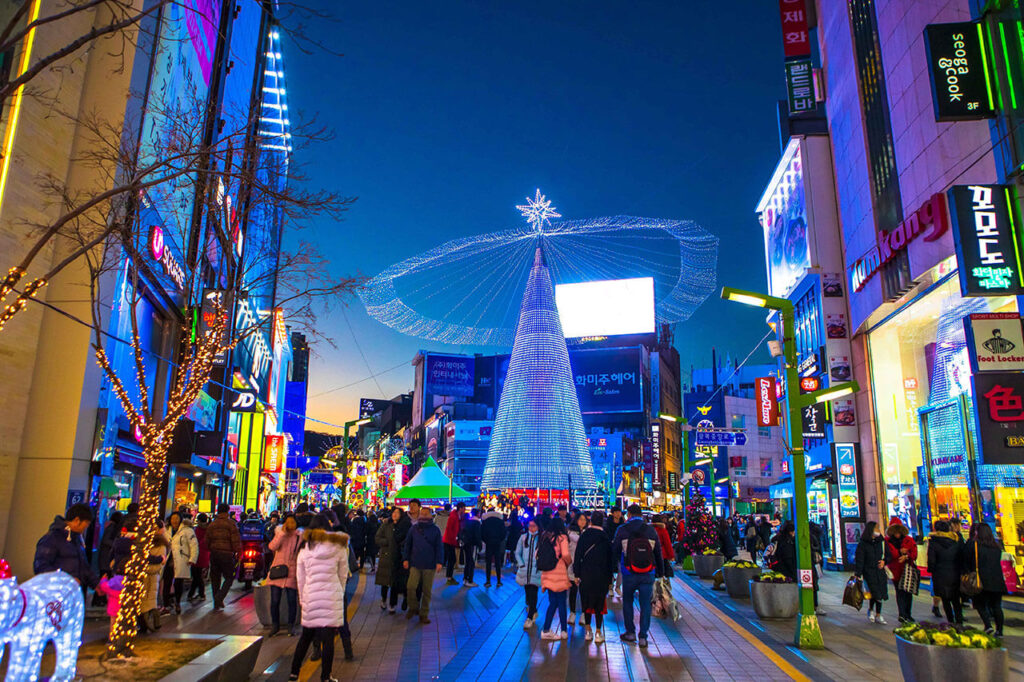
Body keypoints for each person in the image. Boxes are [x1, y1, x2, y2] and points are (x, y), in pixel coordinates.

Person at [288, 514, 349, 682]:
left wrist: (303, 597)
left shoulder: (305, 548)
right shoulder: (339, 546)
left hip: (311, 595)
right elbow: (343, 575)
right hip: (331, 595)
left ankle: (294, 674)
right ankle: (325, 677)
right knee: (328, 639)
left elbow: (300, 577)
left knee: (306, 636)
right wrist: (339, 592)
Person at [612, 504, 663, 648]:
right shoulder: (651, 531)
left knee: (627, 601)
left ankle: (630, 632)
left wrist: (613, 569)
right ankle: (643, 637)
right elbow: (658, 553)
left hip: (629, 572)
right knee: (645, 603)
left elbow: (615, 550)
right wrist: (661, 572)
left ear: (628, 514)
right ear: (641, 515)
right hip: (648, 572)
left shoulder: (622, 530)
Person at [33, 503, 99, 594]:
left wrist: (96, 584)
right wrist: (66, 579)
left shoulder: (77, 539)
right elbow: (41, 566)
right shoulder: (52, 538)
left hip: (72, 593)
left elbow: (83, 566)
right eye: (86, 523)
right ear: (77, 520)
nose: (86, 527)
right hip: (55, 593)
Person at [574, 510, 613, 643]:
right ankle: (598, 632)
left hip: (586, 573)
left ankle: (588, 631)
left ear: (590, 521)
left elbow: (578, 555)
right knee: (599, 603)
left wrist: (577, 574)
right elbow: (610, 559)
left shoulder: (585, 535)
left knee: (586, 601)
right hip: (601, 575)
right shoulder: (605, 536)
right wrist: (610, 578)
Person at [403, 507, 444, 624]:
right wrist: (405, 559)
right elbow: (408, 545)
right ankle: (414, 607)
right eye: (422, 513)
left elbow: (439, 547)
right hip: (415, 563)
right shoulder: (414, 529)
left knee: (427, 591)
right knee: (410, 586)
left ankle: (424, 614)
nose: (424, 515)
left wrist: (439, 562)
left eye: (426, 513)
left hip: (430, 565)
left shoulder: (435, 530)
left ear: (431, 515)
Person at [964, 522, 1007, 636]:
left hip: (981, 580)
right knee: (996, 605)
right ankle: (1000, 630)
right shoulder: (996, 546)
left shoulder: (974, 545)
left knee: (979, 604)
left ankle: (988, 625)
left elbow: (966, 561)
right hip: (997, 580)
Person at [267, 512, 302, 636]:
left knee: (292, 600)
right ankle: (275, 625)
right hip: (277, 570)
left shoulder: (299, 536)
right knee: (274, 600)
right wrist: (282, 533)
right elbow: (272, 547)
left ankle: (290, 626)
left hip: (292, 571)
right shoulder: (279, 533)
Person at [539, 517, 572, 640]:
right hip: (559, 572)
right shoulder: (562, 538)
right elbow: (565, 554)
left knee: (552, 601)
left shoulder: (545, 537)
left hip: (547, 573)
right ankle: (562, 630)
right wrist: (569, 562)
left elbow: (538, 553)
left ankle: (547, 629)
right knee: (561, 602)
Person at [927, 520, 963, 626]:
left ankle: (951, 622)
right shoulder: (956, 540)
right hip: (955, 573)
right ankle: (959, 621)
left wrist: (932, 569)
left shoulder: (933, 543)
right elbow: (961, 557)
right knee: (956, 600)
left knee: (945, 600)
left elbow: (931, 561)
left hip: (940, 574)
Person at [206, 502, 242, 610]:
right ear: (227, 511)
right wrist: (238, 552)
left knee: (215, 578)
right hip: (226, 554)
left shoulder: (212, 524)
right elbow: (235, 540)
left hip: (214, 553)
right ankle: (219, 597)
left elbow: (207, 540)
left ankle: (217, 602)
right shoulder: (231, 524)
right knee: (229, 577)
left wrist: (211, 548)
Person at [853, 520, 889, 624]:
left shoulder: (881, 543)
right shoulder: (863, 544)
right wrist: (858, 574)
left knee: (880, 593)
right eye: (876, 529)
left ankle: (877, 613)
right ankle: (874, 612)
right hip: (869, 572)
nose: (878, 531)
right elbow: (860, 560)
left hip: (880, 571)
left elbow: (888, 555)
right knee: (875, 592)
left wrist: (884, 561)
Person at [885, 516, 918, 623]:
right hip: (896, 571)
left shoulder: (909, 540)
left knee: (908, 592)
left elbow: (914, 553)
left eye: (898, 530)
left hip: (908, 570)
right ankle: (902, 614)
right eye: (894, 530)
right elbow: (890, 554)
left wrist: (907, 556)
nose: (897, 533)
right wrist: (900, 552)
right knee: (900, 592)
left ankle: (908, 613)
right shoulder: (888, 541)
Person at [167, 511, 199, 615]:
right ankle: (166, 603)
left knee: (178, 582)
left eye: (176, 518)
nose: (174, 520)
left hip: (181, 559)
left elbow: (194, 545)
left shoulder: (187, 530)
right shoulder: (167, 530)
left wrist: (192, 558)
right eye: (173, 518)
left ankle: (177, 602)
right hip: (167, 559)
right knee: (167, 581)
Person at [515, 518, 543, 628]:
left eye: (533, 526)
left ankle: (530, 616)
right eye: (530, 526)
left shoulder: (541, 539)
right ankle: (533, 610)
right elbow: (517, 552)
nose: (531, 528)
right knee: (528, 592)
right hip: (525, 570)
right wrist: (521, 564)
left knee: (533, 592)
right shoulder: (523, 538)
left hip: (536, 570)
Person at [376, 507, 403, 613]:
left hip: (397, 556)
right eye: (394, 512)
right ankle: (383, 599)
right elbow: (377, 538)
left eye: (398, 513)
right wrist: (387, 542)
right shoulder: (386, 524)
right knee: (385, 581)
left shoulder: (402, 526)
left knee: (395, 582)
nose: (395, 514)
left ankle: (392, 603)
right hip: (386, 555)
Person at [566, 512, 586, 626]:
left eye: (584, 520)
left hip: (584, 566)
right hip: (572, 566)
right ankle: (572, 613)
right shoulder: (570, 533)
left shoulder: (587, 532)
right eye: (580, 519)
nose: (583, 522)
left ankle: (583, 613)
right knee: (573, 591)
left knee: (583, 591)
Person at [481, 507, 507, 588]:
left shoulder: (485, 521)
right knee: (497, 562)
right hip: (497, 543)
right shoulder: (500, 521)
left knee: (488, 562)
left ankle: (488, 581)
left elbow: (482, 533)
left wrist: (486, 540)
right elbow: (504, 532)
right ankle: (499, 581)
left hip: (489, 543)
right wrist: (499, 539)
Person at [188, 512, 210, 602]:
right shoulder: (208, 530)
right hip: (205, 555)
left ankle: (201, 594)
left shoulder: (197, 530)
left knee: (197, 576)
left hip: (197, 555)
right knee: (197, 575)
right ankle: (192, 594)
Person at [459, 508, 483, 587]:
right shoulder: (477, 523)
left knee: (467, 561)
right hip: (473, 544)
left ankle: (465, 578)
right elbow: (477, 535)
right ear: (477, 514)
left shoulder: (468, 522)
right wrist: (480, 544)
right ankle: (470, 580)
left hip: (466, 544)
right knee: (472, 562)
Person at [604, 507, 624, 596]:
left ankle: (618, 587)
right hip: (610, 549)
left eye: (619, 512)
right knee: (610, 568)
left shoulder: (623, 524)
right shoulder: (608, 524)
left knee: (621, 569)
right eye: (616, 512)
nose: (618, 514)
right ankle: (610, 587)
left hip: (620, 549)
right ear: (613, 513)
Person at [97, 511, 124, 577]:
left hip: (105, 558)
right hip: (106, 557)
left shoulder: (111, 527)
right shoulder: (112, 528)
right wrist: (116, 545)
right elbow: (106, 540)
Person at [442, 502, 464, 585]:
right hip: (449, 541)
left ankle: (449, 577)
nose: (464, 510)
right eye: (464, 508)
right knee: (452, 559)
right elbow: (450, 529)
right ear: (461, 508)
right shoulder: (453, 517)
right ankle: (449, 577)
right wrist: (454, 539)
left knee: (452, 559)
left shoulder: (456, 516)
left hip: (450, 540)